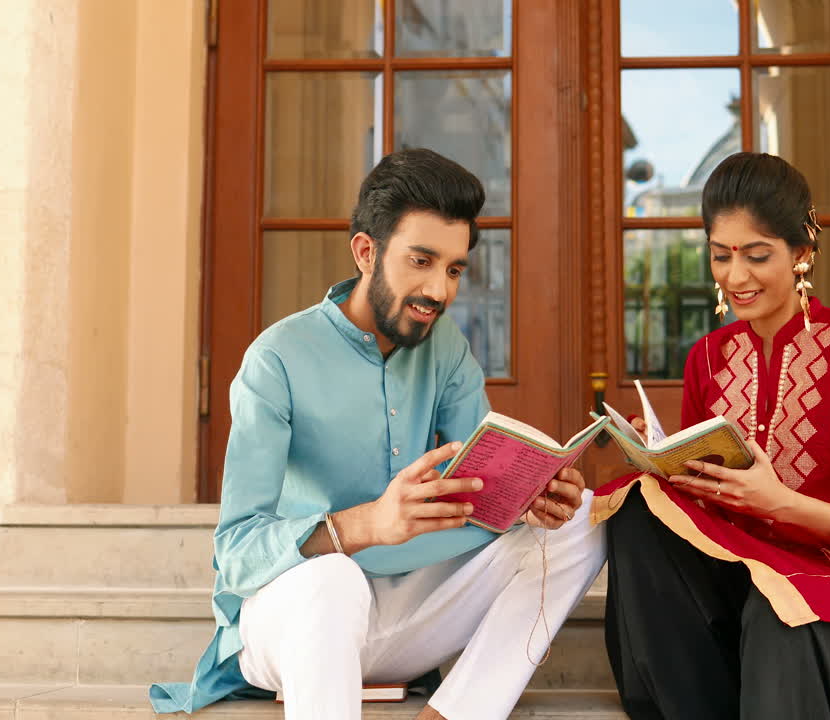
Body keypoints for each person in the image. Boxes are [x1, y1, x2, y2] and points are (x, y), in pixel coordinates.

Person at [150, 149, 606, 720]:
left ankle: (454, 713)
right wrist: (368, 524)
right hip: (293, 619)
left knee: (586, 520)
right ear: (366, 252)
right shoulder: (277, 359)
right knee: (333, 579)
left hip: (404, 621)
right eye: (421, 261)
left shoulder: (448, 352)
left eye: (454, 269)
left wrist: (531, 499)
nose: (439, 290)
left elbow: (484, 494)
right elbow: (236, 553)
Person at [592, 152, 830, 719]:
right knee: (641, 507)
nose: (736, 277)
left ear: (802, 253)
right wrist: (661, 460)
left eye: (757, 255)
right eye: (721, 255)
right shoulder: (705, 360)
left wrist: (781, 505)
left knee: (775, 605)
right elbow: (701, 508)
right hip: (735, 578)